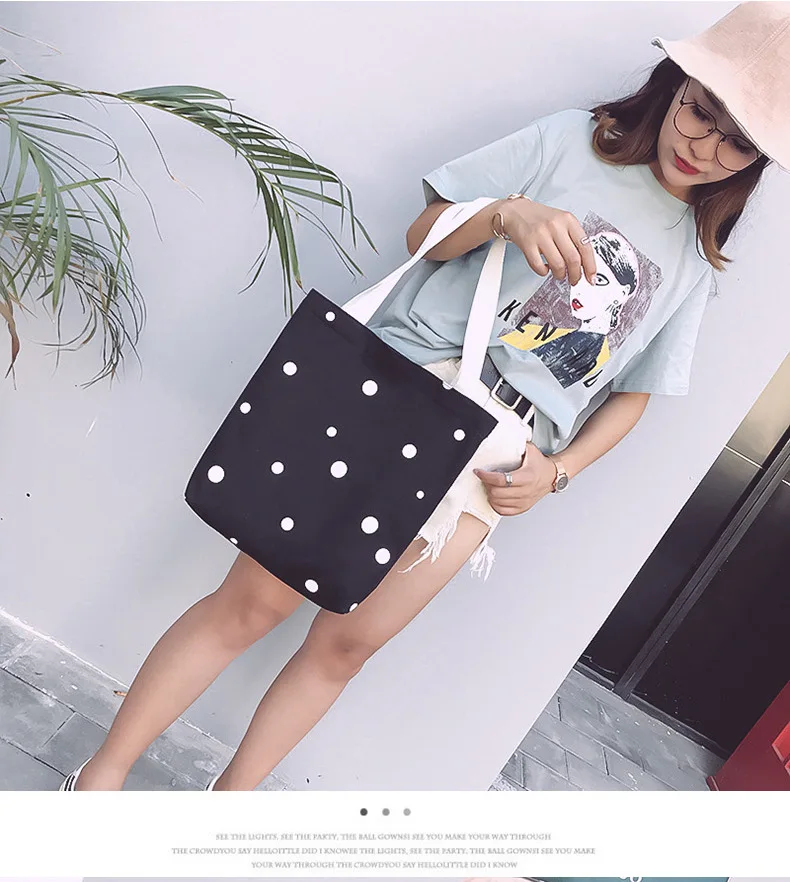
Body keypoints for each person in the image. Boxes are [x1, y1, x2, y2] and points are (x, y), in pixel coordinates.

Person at [61, 2, 787, 791]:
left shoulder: (693, 263)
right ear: (674, 84)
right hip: (398, 394)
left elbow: (633, 396)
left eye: (736, 142)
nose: (703, 147)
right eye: (699, 112)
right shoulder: (569, 143)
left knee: (344, 648)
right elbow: (423, 236)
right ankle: (100, 781)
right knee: (252, 604)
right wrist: (504, 215)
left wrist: (558, 471)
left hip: (493, 466)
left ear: (756, 163)